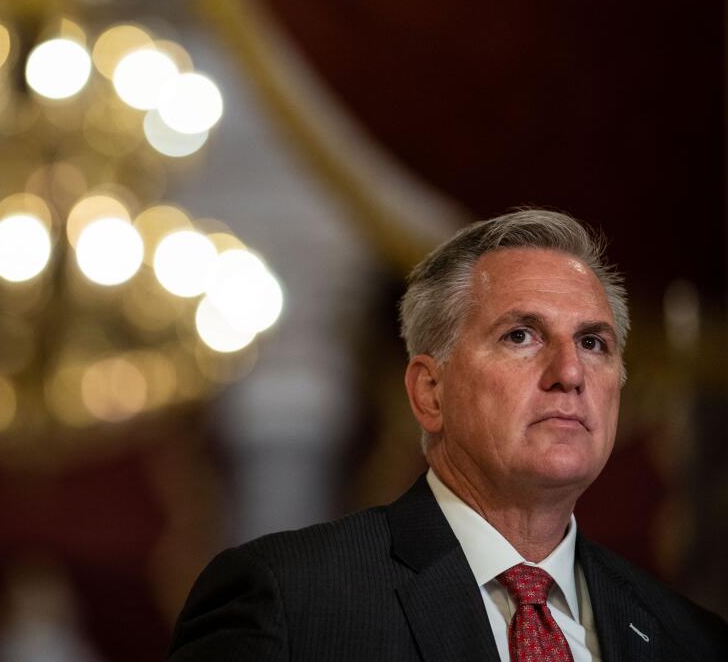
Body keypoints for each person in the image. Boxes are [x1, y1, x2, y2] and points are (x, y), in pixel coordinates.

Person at [168, 209, 728, 661]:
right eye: (520, 336)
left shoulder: (690, 640)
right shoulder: (289, 601)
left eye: (593, 343)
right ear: (429, 392)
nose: (571, 373)